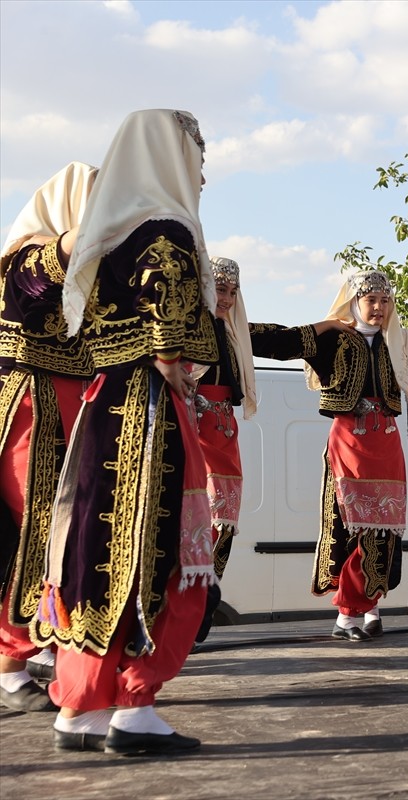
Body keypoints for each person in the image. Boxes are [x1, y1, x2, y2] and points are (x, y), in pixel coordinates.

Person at [32, 109, 217, 755]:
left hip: (101, 404)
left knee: (91, 552)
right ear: (171, 157)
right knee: (160, 553)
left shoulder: (104, 231)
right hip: (149, 408)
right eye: (197, 154)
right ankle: (135, 707)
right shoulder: (165, 229)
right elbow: (172, 339)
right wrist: (181, 369)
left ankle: (80, 708)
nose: (202, 169)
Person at [249, 270, 408, 642]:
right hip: (349, 442)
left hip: (387, 443)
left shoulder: (399, 344)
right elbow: (277, 342)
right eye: (371, 300)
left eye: (385, 301)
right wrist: (324, 324)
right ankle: (349, 614)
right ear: (354, 302)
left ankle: (368, 609)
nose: (379, 308)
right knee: (354, 528)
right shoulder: (332, 341)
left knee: (383, 532)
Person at [189, 258, 349, 644]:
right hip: (190, 434)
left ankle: (198, 608)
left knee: (221, 522)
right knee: (191, 519)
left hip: (224, 435)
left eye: (232, 292)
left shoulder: (236, 333)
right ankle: (177, 611)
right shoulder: (182, 329)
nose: (225, 298)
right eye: (219, 289)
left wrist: (328, 325)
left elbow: (283, 341)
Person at [0, 162, 97, 713]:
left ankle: (40, 649)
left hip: (73, 403)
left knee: (66, 531)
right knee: (38, 528)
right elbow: (61, 257)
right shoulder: (29, 255)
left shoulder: (92, 272)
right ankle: (12, 664)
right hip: (32, 404)